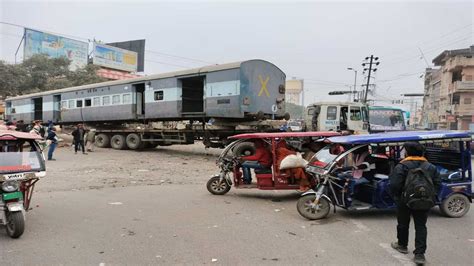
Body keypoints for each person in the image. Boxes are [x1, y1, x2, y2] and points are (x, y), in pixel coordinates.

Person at [389, 142, 440, 265]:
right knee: (421, 226)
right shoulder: (431, 167)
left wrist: (398, 197)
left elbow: (394, 185)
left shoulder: (402, 166)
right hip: (424, 200)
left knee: (403, 223)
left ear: (407, 152)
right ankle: (419, 255)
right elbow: (438, 183)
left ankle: (402, 245)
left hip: (404, 200)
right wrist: (429, 196)